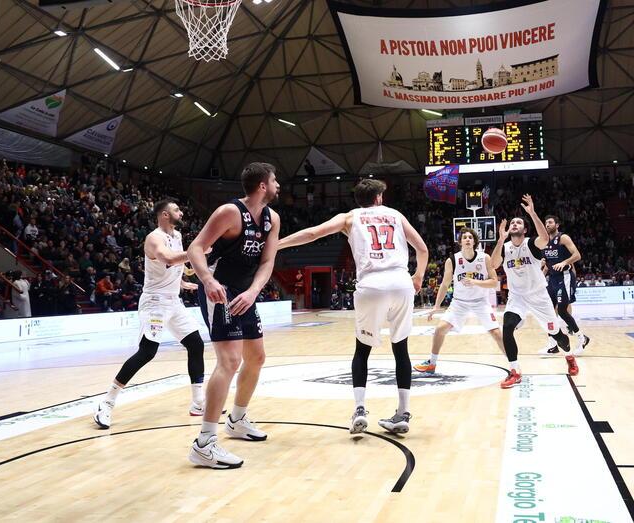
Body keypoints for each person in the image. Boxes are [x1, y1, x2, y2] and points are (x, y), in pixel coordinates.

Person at [278, 179, 428, 435]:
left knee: (362, 350)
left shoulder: (349, 217)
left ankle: (359, 408)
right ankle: (403, 413)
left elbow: (313, 233)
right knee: (401, 349)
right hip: (401, 282)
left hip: (371, 285)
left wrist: (277, 244)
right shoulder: (395, 214)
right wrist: (418, 277)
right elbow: (422, 249)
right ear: (379, 198)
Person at [186, 163, 282, 469]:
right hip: (220, 291)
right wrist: (208, 281)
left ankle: (237, 419)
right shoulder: (229, 212)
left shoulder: (272, 219)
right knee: (229, 361)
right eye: (274, 180)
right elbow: (196, 247)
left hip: (245, 293)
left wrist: (254, 292)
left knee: (256, 358)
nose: (278, 185)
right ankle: (204, 443)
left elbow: (267, 262)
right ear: (263, 185)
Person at [93, 199, 207, 429]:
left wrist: (183, 282)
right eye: (177, 209)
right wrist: (197, 252)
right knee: (147, 352)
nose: (181, 211)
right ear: (164, 214)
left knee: (196, 344)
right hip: (155, 303)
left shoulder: (177, 236)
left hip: (173, 302)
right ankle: (106, 402)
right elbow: (168, 259)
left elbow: (174, 267)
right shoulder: (154, 238)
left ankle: (198, 403)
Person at [489, 195, 576, 389]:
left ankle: (569, 356)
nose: (514, 224)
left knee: (555, 333)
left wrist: (532, 212)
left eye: (519, 222)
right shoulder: (505, 247)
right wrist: (500, 239)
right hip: (517, 297)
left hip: (538, 296)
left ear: (525, 229)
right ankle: (515, 371)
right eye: (512, 222)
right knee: (507, 327)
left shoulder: (531, 244)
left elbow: (545, 238)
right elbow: (494, 265)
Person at [414, 227, 505, 376]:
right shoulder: (453, 260)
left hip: (480, 301)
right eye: (464, 237)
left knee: (496, 333)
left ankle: (514, 365)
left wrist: (475, 282)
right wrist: (436, 306)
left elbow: (494, 282)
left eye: (470, 237)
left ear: (475, 241)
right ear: (460, 242)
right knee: (439, 329)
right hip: (459, 302)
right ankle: (432, 363)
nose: (467, 239)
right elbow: (444, 284)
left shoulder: (485, 258)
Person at [540, 215, 590, 355]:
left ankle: (582, 338)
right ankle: (553, 345)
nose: (547, 224)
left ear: (557, 225)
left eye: (550, 222)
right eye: (546, 222)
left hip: (565, 277)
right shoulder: (543, 242)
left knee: (562, 311)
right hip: (552, 279)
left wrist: (564, 262)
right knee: (549, 311)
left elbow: (577, 255)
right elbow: (546, 265)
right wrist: (541, 275)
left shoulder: (563, 238)